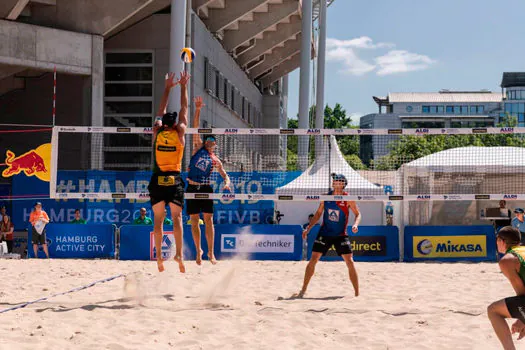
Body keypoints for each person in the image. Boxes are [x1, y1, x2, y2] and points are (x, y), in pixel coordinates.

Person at [148, 70, 190, 273]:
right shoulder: (180, 133)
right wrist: (183, 86)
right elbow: (184, 108)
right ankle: (179, 253)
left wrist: (167, 88)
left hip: (157, 179)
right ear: (175, 124)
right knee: (177, 219)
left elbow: (160, 109)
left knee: (158, 220)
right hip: (174, 179)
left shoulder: (156, 132)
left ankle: (158, 256)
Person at [294, 173, 361, 298]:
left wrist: (355, 224)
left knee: (350, 262)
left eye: (338, 181)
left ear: (343, 184)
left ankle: (357, 294)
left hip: (341, 234)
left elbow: (358, 214)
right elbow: (318, 214)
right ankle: (303, 291)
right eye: (334, 181)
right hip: (325, 233)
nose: (335, 182)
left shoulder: (348, 198)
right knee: (313, 259)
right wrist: (308, 229)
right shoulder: (326, 197)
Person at [186, 96, 231, 265]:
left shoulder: (216, 159)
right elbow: (195, 128)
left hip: (206, 189)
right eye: (208, 140)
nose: (210, 142)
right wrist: (198, 109)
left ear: (215, 144)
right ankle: (198, 250)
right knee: (194, 220)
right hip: (192, 187)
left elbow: (225, 175)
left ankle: (211, 253)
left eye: (213, 140)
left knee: (209, 219)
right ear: (205, 142)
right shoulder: (198, 147)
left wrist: (226, 183)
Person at [487, 226, 525, 349]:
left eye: (497, 240)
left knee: (493, 310)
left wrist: (522, 319)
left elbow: (522, 293)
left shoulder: (507, 260)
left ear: (501, 241)